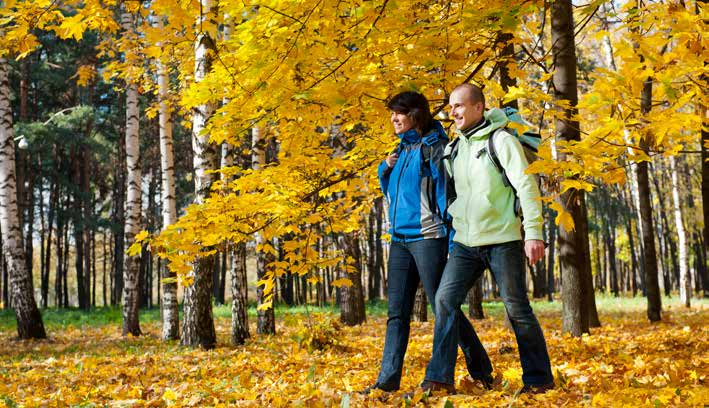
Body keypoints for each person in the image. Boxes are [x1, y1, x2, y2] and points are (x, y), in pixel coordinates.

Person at [419, 84, 554, 394]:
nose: (452, 112)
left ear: (478, 107)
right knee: (444, 300)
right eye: (451, 107)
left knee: (516, 308)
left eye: (459, 106)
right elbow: (455, 195)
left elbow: (526, 187)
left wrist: (533, 233)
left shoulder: (501, 141)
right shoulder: (456, 148)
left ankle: (539, 381)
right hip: (466, 244)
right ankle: (440, 379)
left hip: (502, 239)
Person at [363, 91, 477, 394]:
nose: (393, 119)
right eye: (391, 114)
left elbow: (446, 196)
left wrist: (453, 239)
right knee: (396, 313)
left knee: (443, 307)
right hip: (399, 241)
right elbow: (391, 191)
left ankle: (476, 368)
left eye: (398, 113)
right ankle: (386, 382)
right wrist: (384, 169)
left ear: (415, 114)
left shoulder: (435, 148)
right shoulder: (400, 150)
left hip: (429, 238)